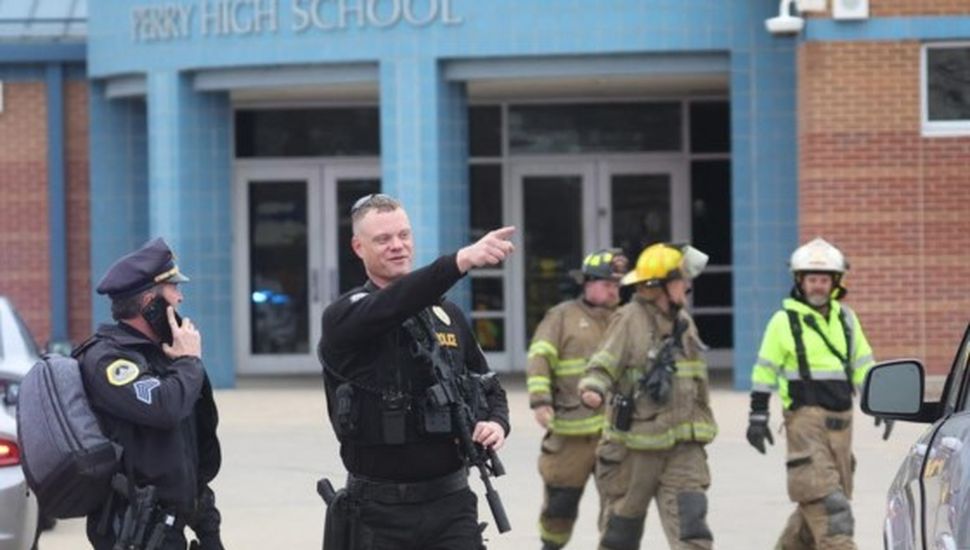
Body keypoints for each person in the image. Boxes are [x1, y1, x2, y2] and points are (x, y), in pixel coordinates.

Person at [317, 193, 513, 550]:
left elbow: (488, 386)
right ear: (358, 247)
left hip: (451, 506)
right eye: (383, 239)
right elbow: (393, 303)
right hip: (378, 514)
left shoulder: (447, 315)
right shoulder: (345, 316)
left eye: (404, 235)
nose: (397, 246)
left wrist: (496, 423)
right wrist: (459, 261)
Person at [77, 237, 223, 550]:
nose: (181, 299)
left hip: (170, 530)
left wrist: (209, 529)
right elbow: (164, 407)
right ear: (151, 304)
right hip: (134, 533)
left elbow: (186, 451)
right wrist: (188, 361)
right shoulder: (108, 360)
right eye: (174, 290)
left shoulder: (161, 356)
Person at [745, 237, 885, 549]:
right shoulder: (783, 321)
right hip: (804, 425)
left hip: (842, 427)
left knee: (815, 512)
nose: (817, 286)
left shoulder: (847, 319)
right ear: (800, 281)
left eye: (823, 279)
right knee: (833, 512)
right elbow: (764, 370)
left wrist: (882, 401)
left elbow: (863, 364)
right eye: (811, 280)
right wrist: (758, 415)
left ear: (835, 282)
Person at [578, 243, 717, 550]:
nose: (687, 286)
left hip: (684, 449)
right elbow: (603, 363)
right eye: (681, 279)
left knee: (693, 536)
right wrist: (593, 388)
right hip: (633, 451)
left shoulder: (684, 323)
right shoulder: (629, 319)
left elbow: (697, 381)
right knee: (619, 538)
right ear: (660, 287)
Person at [527, 249, 627, 550]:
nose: (614, 290)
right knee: (560, 507)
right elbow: (540, 357)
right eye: (608, 283)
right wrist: (540, 400)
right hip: (570, 433)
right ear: (588, 283)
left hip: (616, 433)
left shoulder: (625, 318)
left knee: (619, 510)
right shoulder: (562, 317)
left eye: (617, 285)